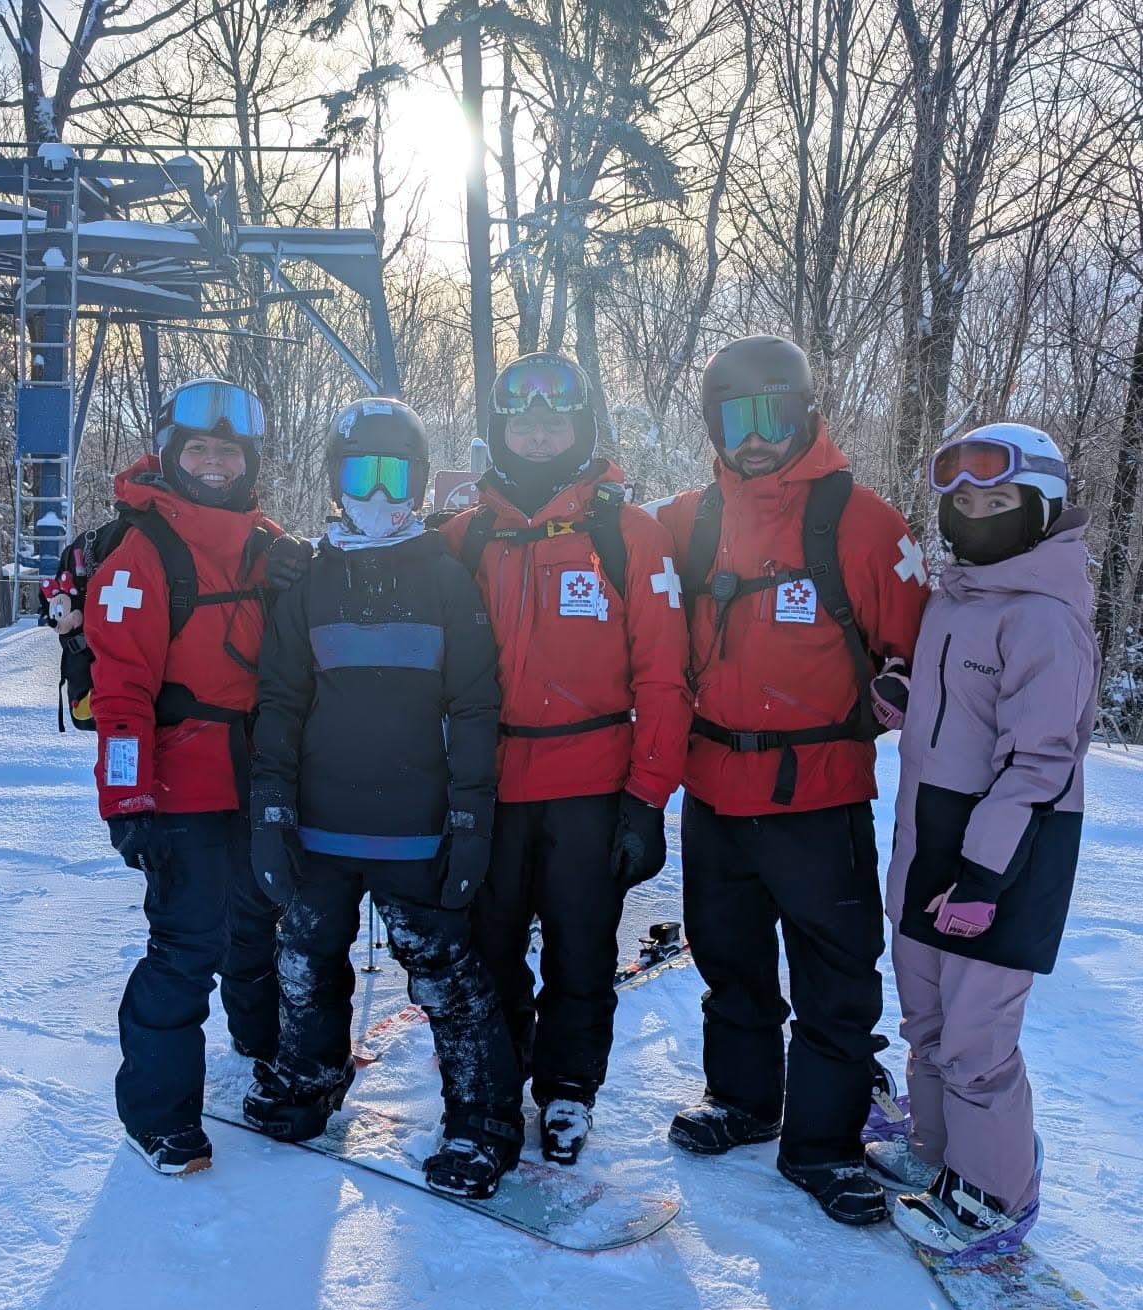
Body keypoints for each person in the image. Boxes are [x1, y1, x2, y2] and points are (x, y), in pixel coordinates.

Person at [650, 335, 928, 1225]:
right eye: (737, 419)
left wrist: (903, 685)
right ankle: (743, 1099)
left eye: (774, 415)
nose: (756, 437)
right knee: (727, 957)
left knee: (835, 976)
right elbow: (603, 564)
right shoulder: (688, 520)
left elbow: (925, 644)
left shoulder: (864, 524)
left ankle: (823, 1143)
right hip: (713, 789)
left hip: (819, 792)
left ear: (806, 414)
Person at [245, 398, 525, 1199]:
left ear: (419, 483)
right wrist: (271, 813)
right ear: (335, 482)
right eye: (361, 475)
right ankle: (310, 1075)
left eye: (395, 477)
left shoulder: (445, 578)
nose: (377, 495)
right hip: (320, 827)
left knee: (445, 979)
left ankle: (480, 1122)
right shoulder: (309, 580)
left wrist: (471, 822)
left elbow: (473, 707)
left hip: (417, 828)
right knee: (305, 960)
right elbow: (280, 704)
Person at [431, 353, 691, 1165]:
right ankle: (492, 1087)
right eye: (523, 421)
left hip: (591, 786)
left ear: (581, 427)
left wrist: (647, 798)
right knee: (490, 951)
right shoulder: (465, 535)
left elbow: (664, 674)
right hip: (490, 788)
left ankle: (569, 1090)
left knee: (581, 953)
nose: (539, 433)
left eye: (555, 419)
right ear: (499, 429)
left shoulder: (625, 532)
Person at [864, 423, 1097, 1254]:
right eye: (963, 503)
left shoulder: (1043, 619)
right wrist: (903, 694)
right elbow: (956, 708)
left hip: (1002, 860)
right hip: (931, 839)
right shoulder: (953, 601)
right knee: (928, 1022)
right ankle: (938, 1152)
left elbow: (1040, 764)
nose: (976, 517)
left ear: (1041, 510)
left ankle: (996, 1194)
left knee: (976, 1042)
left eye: (998, 503)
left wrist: (983, 877)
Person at [85, 377, 300, 1176]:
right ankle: (159, 1115)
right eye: (199, 448)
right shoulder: (142, 555)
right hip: (180, 790)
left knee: (262, 929)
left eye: (230, 451)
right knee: (187, 947)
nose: (215, 463)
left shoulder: (266, 542)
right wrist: (127, 797)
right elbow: (120, 695)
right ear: (171, 455)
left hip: (259, 782)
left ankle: (267, 1050)